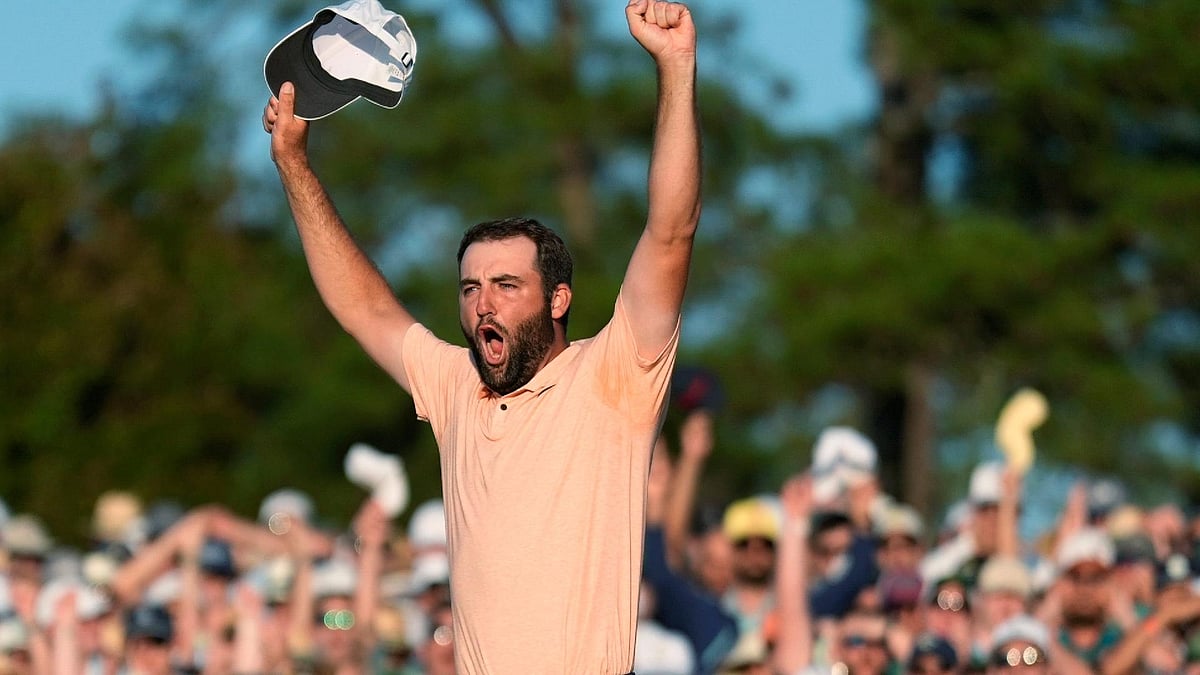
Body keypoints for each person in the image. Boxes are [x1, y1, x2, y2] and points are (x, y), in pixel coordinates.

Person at [261, 0, 702, 670]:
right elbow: (364, 310)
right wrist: (295, 167)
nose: (483, 304)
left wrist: (675, 67)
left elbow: (670, 232)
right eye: (470, 289)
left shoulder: (614, 377)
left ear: (558, 299)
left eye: (505, 285)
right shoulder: (455, 387)